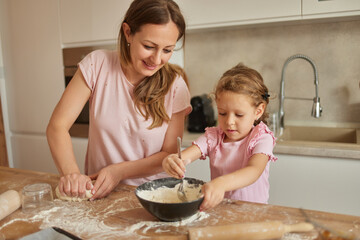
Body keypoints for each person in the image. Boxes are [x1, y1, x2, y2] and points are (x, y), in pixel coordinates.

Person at [46, 0, 191, 200]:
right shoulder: (97, 65)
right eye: (149, 46)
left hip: (156, 197)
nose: (157, 60)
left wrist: (119, 171)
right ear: (128, 32)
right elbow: (57, 127)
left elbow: (169, 153)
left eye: (167, 50)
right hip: (99, 193)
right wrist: (72, 174)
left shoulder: (175, 86)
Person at [162, 63, 277, 211]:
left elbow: (254, 171)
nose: (229, 121)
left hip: (253, 214)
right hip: (220, 211)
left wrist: (221, 183)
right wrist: (172, 161)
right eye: (222, 113)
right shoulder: (214, 136)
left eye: (239, 115)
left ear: (258, 111)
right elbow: (186, 155)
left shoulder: (261, 138)